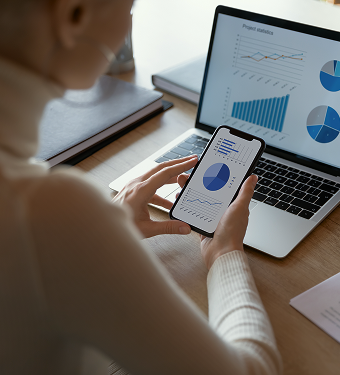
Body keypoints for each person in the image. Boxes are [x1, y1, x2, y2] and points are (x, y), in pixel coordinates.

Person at [0, 0, 283, 374]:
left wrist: (100, 241)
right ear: (74, 15)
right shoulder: (45, 210)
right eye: (131, 7)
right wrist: (225, 255)